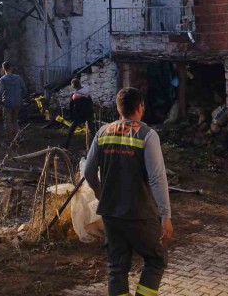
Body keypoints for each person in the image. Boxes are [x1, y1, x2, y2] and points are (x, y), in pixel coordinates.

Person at [83, 87, 173, 296]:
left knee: (117, 266)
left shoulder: (102, 132)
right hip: (139, 213)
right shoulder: (147, 135)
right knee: (156, 259)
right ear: (140, 107)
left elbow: (88, 171)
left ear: (118, 108)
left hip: (110, 213)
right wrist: (166, 215)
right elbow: (157, 178)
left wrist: (99, 192)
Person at [0, 61, 28, 142]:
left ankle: (9, 140)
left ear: (3, 69)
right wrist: (21, 98)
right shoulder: (18, 78)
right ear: (11, 68)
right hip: (17, 103)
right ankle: (18, 138)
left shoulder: (2, 80)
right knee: (15, 120)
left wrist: (0, 101)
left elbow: (0, 93)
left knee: (8, 122)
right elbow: (25, 90)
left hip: (7, 104)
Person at [64, 78, 95, 149]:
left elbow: (71, 107)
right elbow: (91, 103)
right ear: (80, 84)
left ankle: (66, 146)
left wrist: (72, 116)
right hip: (88, 114)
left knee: (71, 129)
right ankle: (98, 144)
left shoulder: (74, 96)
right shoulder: (87, 92)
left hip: (79, 115)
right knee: (92, 130)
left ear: (73, 86)